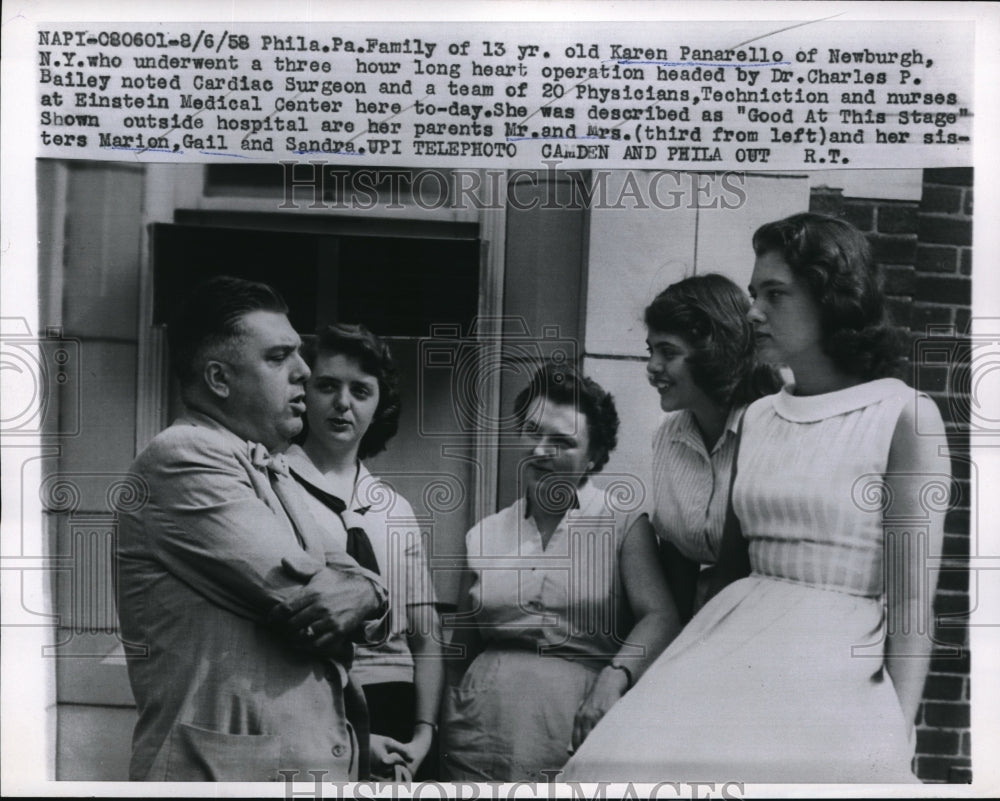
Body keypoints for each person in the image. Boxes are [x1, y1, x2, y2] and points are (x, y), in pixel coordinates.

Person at [563, 213, 949, 782]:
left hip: (834, 678)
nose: (754, 312)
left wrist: (896, 726)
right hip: (732, 653)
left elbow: (913, 606)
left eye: (775, 294)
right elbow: (729, 571)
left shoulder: (905, 416)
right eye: (752, 293)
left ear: (831, 300)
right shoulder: (763, 415)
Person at [116, 276, 389, 781]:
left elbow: (354, 583)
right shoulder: (184, 458)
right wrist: (367, 591)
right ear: (219, 379)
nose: (304, 373)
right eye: (278, 357)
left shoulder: (268, 464)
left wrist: (368, 593)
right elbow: (310, 593)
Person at [440, 361, 680, 782]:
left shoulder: (622, 523)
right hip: (477, 735)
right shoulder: (485, 534)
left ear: (593, 459)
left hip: (576, 731)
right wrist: (449, 719)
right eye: (533, 432)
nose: (539, 451)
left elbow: (660, 617)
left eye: (561, 442)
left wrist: (616, 676)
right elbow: (460, 651)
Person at [283, 324, 444, 779]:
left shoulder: (395, 509)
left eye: (361, 390)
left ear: (380, 404)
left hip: (397, 710)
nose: (343, 403)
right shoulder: (275, 487)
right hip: (316, 706)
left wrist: (424, 735)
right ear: (304, 392)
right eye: (327, 386)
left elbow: (426, 635)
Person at [644, 274, 781, 619]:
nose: (652, 367)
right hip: (698, 619)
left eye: (668, 352)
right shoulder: (667, 434)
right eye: (651, 350)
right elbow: (676, 556)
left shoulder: (771, 430)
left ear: (713, 354)